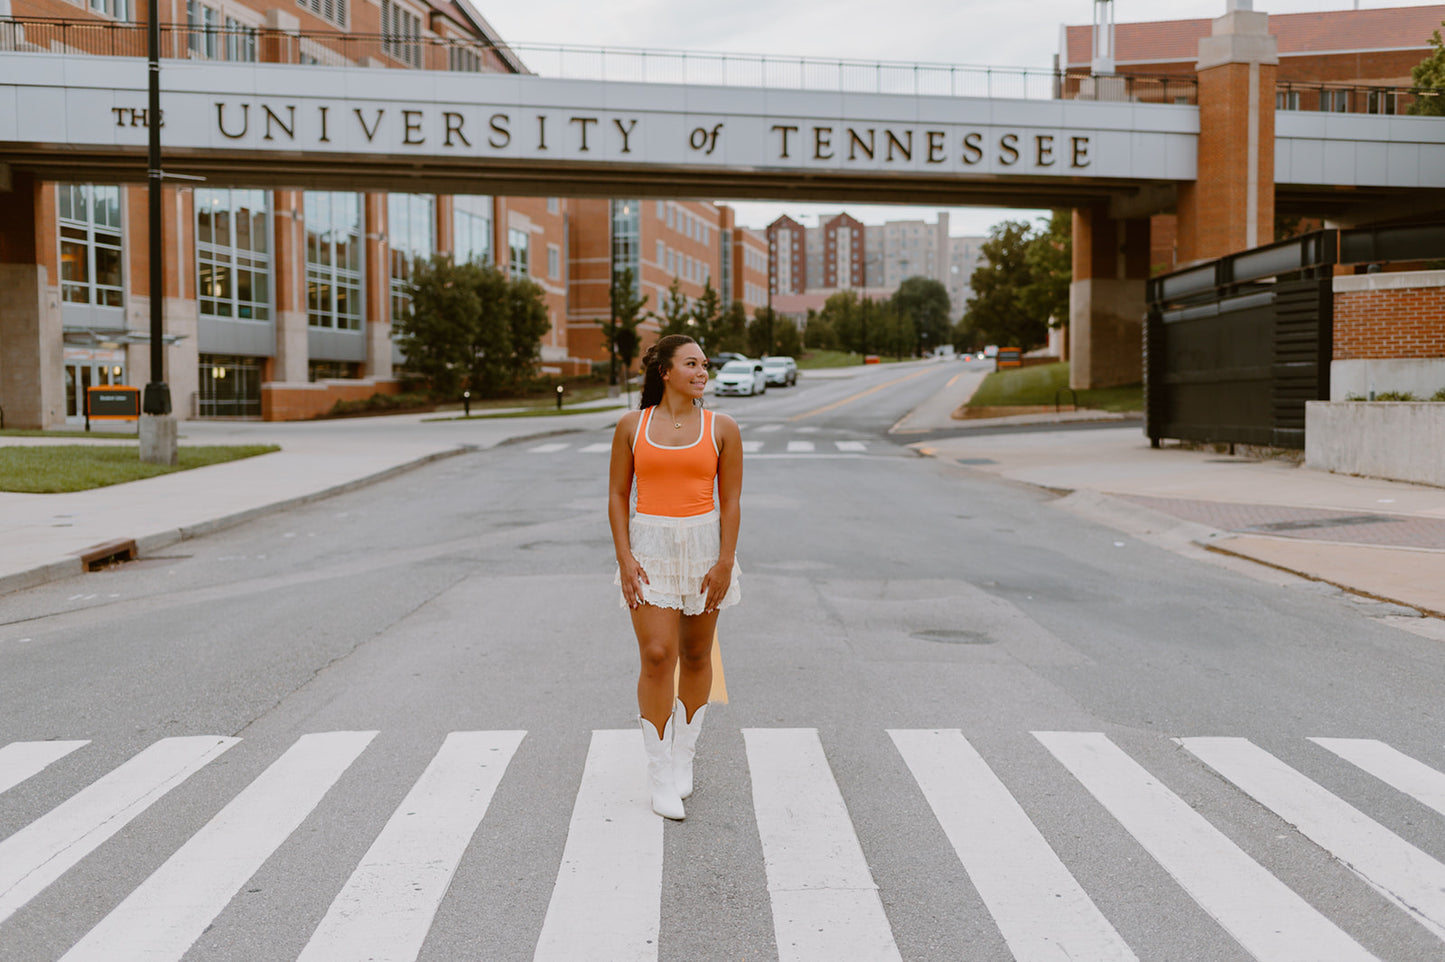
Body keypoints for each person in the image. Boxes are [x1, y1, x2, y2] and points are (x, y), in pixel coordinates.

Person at [609, 334, 742, 820]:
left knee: (696, 653)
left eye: (705, 364)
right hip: (651, 550)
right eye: (692, 364)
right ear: (665, 372)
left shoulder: (722, 427)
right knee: (658, 654)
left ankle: (684, 756)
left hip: (706, 550)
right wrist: (624, 558)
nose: (702, 372)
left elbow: (730, 500)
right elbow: (618, 496)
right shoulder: (632, 426)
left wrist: (726, 560)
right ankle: (660, 772)